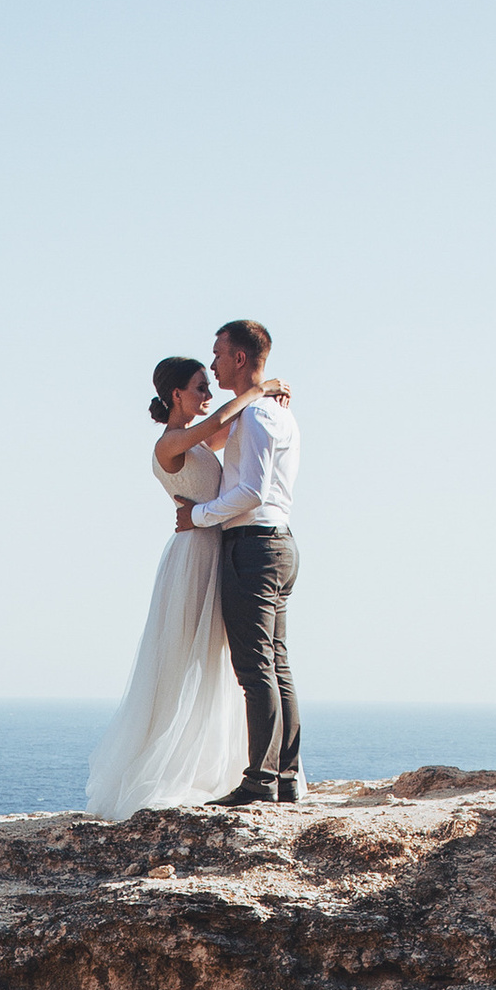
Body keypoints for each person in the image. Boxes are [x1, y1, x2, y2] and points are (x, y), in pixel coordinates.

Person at [84, 356, 263, 818]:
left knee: (212, 657)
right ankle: (162, 766)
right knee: (183, 657)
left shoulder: (199, 441)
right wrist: (257, 389)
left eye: (209, 386)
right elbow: (225, 418)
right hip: (191, 557)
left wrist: (270, 401)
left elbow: (233, 427)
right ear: (175, 396)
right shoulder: (169, 444)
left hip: (211, 546)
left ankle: (213, 764)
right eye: (200, 387)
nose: (208, 395)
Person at [176, 319, 302, 803]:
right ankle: (284, 776)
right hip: (279, 543)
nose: (212, 364)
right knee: (277, 663)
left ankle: (261, 781)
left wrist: (198, 516)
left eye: (218, 354)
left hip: (253, 545)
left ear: (240, 359)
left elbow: (251, 491)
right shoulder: (275, 413)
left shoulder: (256, 418)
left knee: (255, 669)